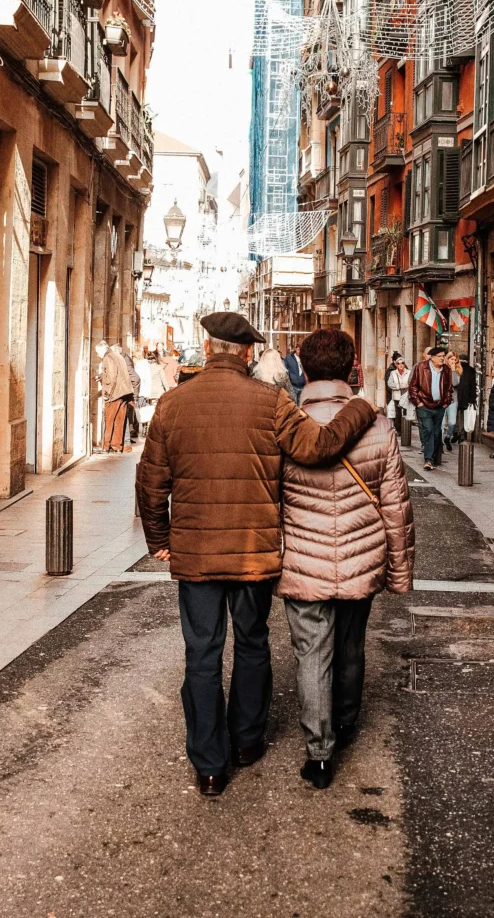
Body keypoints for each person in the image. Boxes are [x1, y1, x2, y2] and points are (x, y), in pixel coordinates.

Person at [136, 312, 377, 797]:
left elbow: (150, 481)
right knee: (251, 645)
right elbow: (322, 446)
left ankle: (209, 764)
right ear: (247, 354)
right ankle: (246, 741)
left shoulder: (171, 405)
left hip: (197, 555)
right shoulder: (271, 402)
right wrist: (361, 408)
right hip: (253, 553)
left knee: (201, 655)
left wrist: (159, 538)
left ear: (207, 351)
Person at [277, 330, 414, 789]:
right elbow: (395, 504)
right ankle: (347, 722)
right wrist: (398, 571)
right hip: (362, 556)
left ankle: (318, 753)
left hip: (302, 559)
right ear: (351, 368)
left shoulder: (288, 424)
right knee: (351, 644)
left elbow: (269, 498)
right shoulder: (377, 426)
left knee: (310, 652)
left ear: (305, 367)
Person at [408, 347, 453, 471]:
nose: (442, 358)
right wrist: (418, 402)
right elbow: (413, 386)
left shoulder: (447, 370)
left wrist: (446, 402)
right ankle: (428, 459)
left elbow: (449, 388)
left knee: (437, 432)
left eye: (443, 356)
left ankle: (433, 457)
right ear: (432, 357)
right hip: (424, 405)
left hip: (439, 406)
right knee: (428, 429)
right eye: (439, 356)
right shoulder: (421, 367)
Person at [97, 341, 134, 453]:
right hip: (124, 392)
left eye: (97, 352)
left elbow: (112, 377)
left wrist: (108, 394)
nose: (97, 354)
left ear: (102, 350)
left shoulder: (108, 357)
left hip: (115, 393)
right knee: (119, 420)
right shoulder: (118, 356)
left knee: (109, 420)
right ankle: (117, 446)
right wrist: (101, 376)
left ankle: (106, 446)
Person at [113, 343, 141, 445]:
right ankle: (126, 441)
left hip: (125, 394)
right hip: (126, 393)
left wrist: (134, 397)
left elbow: (135, 378)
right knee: (125, 417)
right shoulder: (124, 359)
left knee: (124, 416)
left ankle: (125, 442)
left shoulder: (124, 360)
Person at [443, 351, 462, 452]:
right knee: (441, 424)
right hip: (441, 400)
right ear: (447, 359)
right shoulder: (442, 369)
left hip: (453, 400)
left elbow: (455, 383)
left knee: (452, 422)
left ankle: (447, 438)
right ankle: (439, 446)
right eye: (451, 359)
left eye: (455, 360)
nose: (453, 361)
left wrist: (453, 370)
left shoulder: (457, 371)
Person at [456, 352, 477, 442]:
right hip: (466, 397)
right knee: (464, 415)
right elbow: (473, 385)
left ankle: (456, 432)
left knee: (455, 415)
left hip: (456, 396)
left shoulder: (456, 368)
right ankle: (462, 433)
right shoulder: (471, 370)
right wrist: (472, 399)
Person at [386, 357, 411, 429]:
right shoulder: (393, 373)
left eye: (402, 363)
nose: (401, 365)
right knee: (398, 413)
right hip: (397, 396)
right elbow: (389, 383)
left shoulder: (409, 372)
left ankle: (406, 428)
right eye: (398, 363)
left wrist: (407, 386)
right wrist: (398, 386)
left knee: (406, 412)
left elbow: (412, 382)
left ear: (404, 364)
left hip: (406, 395)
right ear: (396, 365)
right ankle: (399, 429)